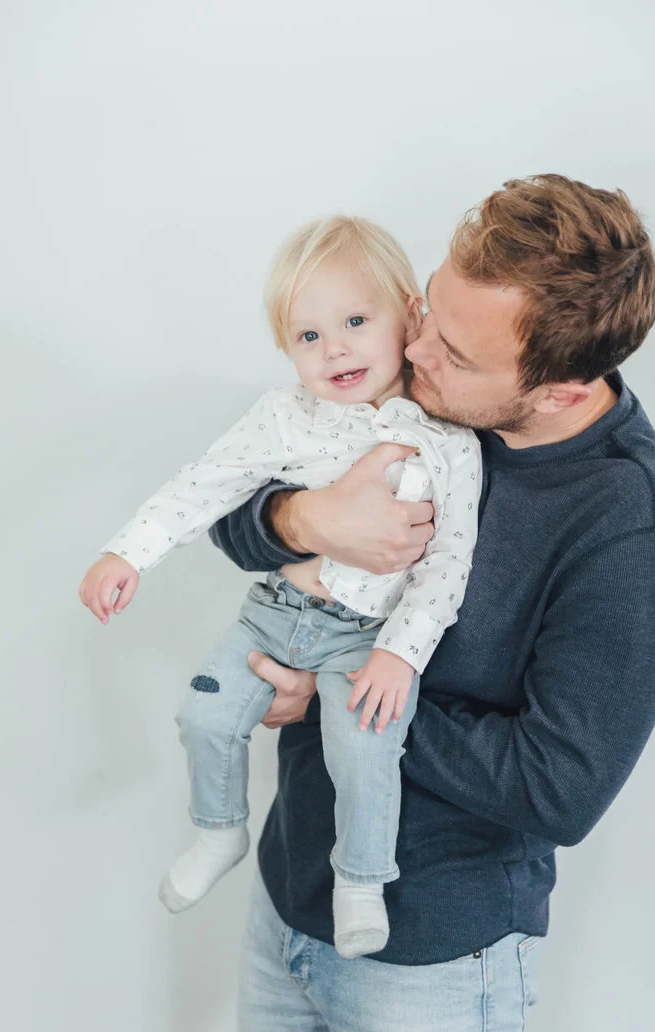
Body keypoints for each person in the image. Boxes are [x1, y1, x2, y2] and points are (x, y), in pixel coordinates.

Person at [210, 175, 655, 1032]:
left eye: (455, 350)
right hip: (286, 896)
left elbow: (556, 786)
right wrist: (304, 514)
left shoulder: (632, 520)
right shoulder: (412, 388)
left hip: (431, 960)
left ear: (560, 386)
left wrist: (331, 688)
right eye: (428, 306)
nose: (411, 344)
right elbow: (231, 521)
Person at [77, 216, 481, 958]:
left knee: (361, 746)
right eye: (309, 337)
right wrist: (126, 554)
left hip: (370, 636)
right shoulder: (281, 418)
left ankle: (361, 880)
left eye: (357, 321)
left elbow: (446, 566)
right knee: (204, 713)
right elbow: (206, 486)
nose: (336, 350)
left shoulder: (447, 442)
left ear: (408, 314)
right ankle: (218, 829)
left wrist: (402, 655)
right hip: (275, 614)